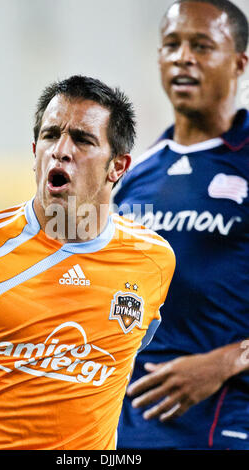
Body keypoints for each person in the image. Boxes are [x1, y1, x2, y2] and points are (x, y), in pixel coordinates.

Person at [0, 75, 175, 450]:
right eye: (51, 135)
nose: (61, 150)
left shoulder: (153, 261)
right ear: (35, 150)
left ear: (117, 167)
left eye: (83, 140)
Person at [114, 0, 249, 450]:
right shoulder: (131, 177)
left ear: (240, 62)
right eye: (171, 45)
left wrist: (226, 361)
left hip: (225, 424)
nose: (182, 57)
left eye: (202, 45)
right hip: (128, 429)